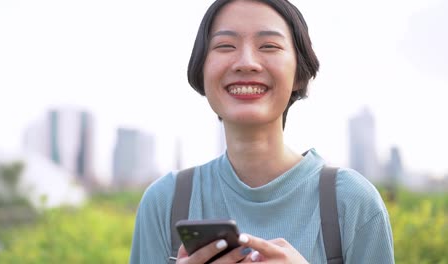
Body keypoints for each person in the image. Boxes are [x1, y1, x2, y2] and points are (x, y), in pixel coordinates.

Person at [130, 0, 394, 263]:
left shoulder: (354, 201)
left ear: (300, 74)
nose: (246, 63)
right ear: (201, 70)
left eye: (269, 46)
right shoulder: (165, 201)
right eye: (225, 46)